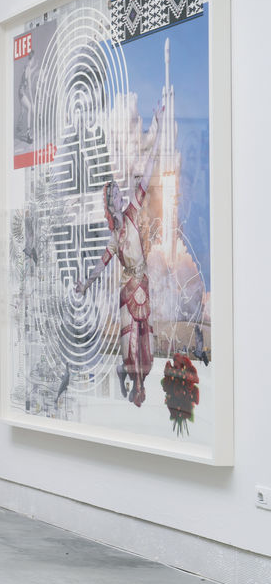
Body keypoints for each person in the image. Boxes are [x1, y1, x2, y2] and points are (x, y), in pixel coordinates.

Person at [75, 103, 164, 407]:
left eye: (117, 192)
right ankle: (132, 381)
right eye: (113, 194)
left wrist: (158, 128)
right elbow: (100, 266)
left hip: (142, 286)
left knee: (143, 341)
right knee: (130, 341)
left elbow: (147, 172)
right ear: (109, 203)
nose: (118, 195)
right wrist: (86, 284)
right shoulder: (114, 236)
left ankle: (136, 383)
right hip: (127, 291)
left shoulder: (132, 211)